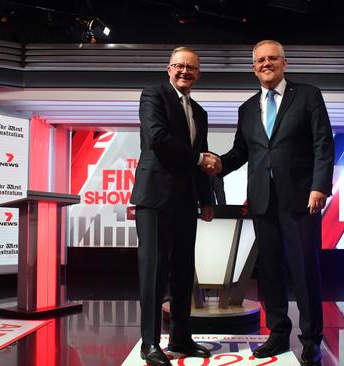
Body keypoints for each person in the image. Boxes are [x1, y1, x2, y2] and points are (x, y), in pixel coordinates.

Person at [218, 40, 334, 365]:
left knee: (304, 270)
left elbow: (323, 142)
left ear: (285, 63)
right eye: (260, 60)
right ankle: (278, 333)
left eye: (272, 58)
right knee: (269, 272)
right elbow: (242, 152)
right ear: (254, 68)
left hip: (301, 199)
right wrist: (215, 164)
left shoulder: (308, 95)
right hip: (262, 201)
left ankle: (311, 340)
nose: (266, 64)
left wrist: (319, 186)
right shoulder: (247, 108)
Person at [130, 46, 221, 366]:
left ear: (198, 74)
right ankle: (150, 343)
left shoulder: (200, 112)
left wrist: (207, 200)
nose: (185, 72)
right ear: (169, 69)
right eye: (180, 66)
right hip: (154, 198)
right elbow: (157, 137)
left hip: (185, 201)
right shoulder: (153, 95)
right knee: (153, 271)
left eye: (192, 68)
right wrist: (199, 158)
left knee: (183, 273)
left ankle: (181, 337)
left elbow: (203, 159)